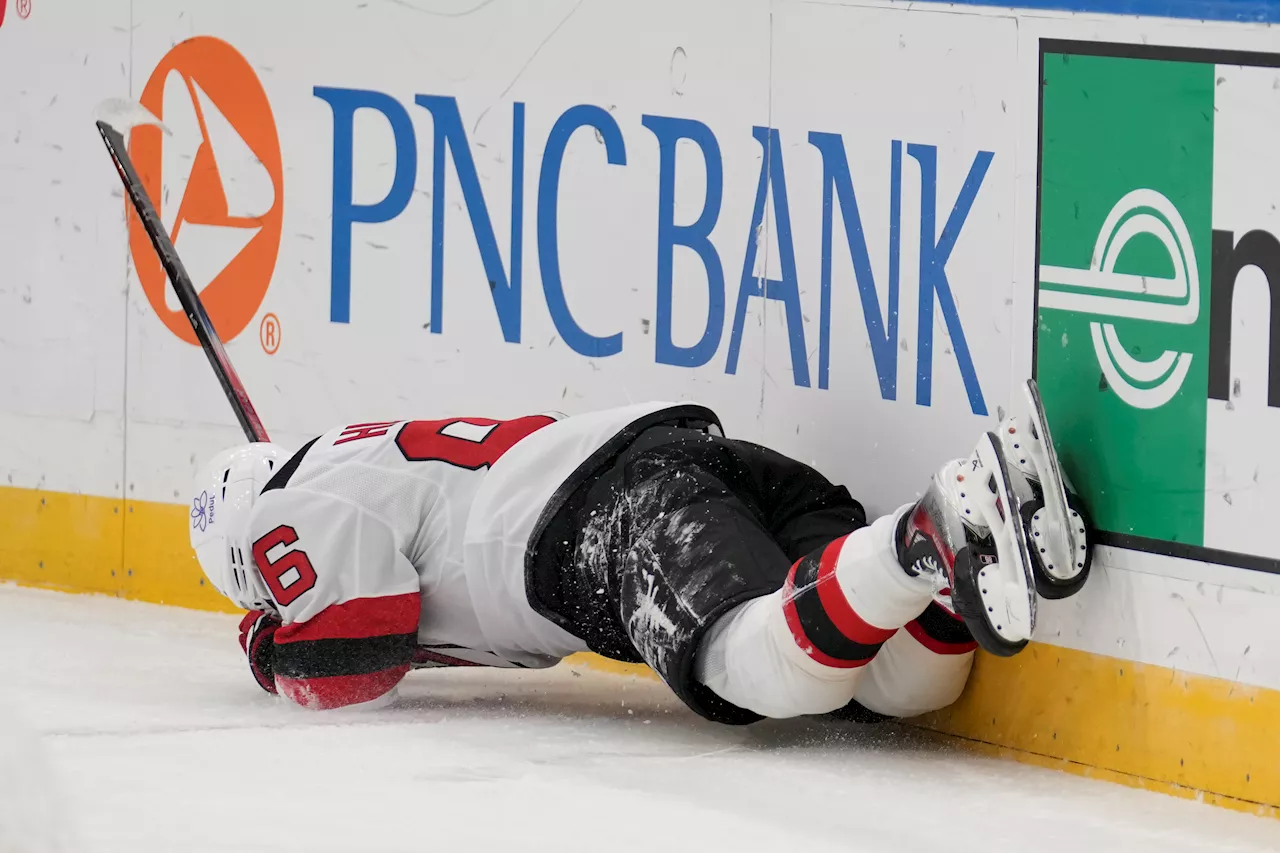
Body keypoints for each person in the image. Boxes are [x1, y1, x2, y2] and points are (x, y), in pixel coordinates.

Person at [189, 389, 1091, 724]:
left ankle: (917, 536)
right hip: (683, 467)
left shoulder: (292, 504)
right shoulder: (359, 463)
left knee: (759, 671)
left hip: (604, 518)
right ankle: (963, 526)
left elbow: (355, 652)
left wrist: (266, 647)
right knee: (895, 687)